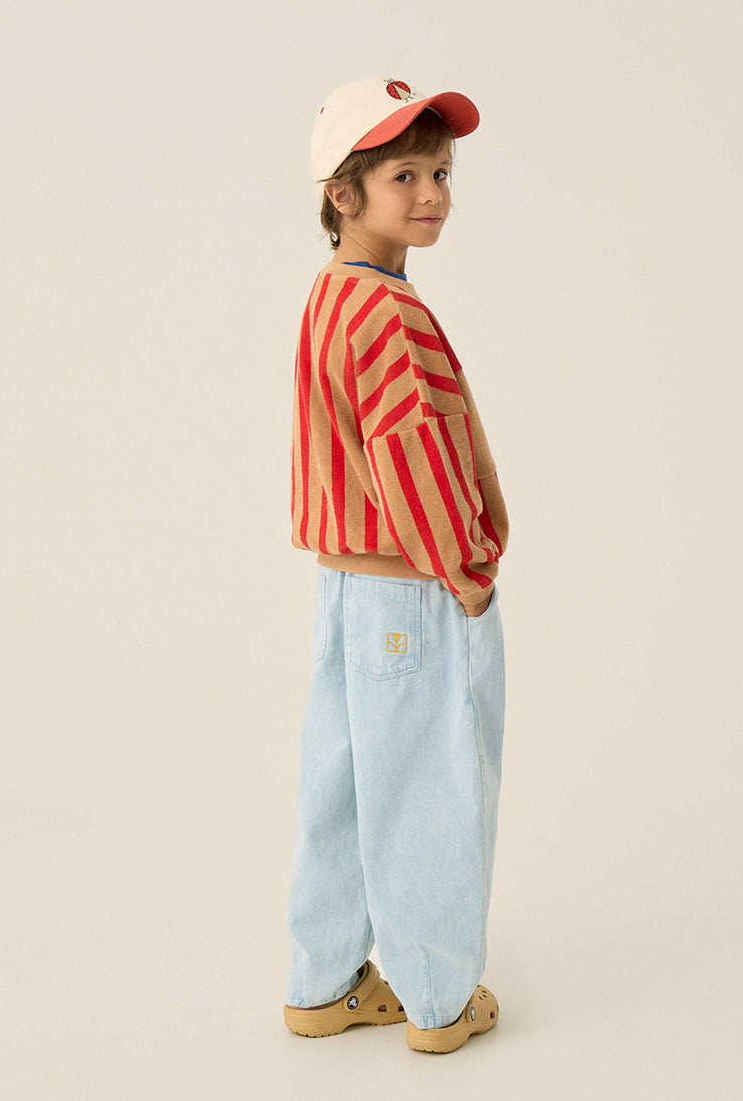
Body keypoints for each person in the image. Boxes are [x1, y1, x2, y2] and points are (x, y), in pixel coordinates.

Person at [283, 75, 510, 1055]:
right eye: (405, 176)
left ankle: (323, 983)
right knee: (428, 788)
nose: (433, 195)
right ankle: (438, 999)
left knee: (340, 785)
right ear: (344, 193)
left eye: (441, 174)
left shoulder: (331, 295)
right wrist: (465, 571)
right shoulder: (389, 312)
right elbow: (410, 452)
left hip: (346, 585)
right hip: (411, 589)